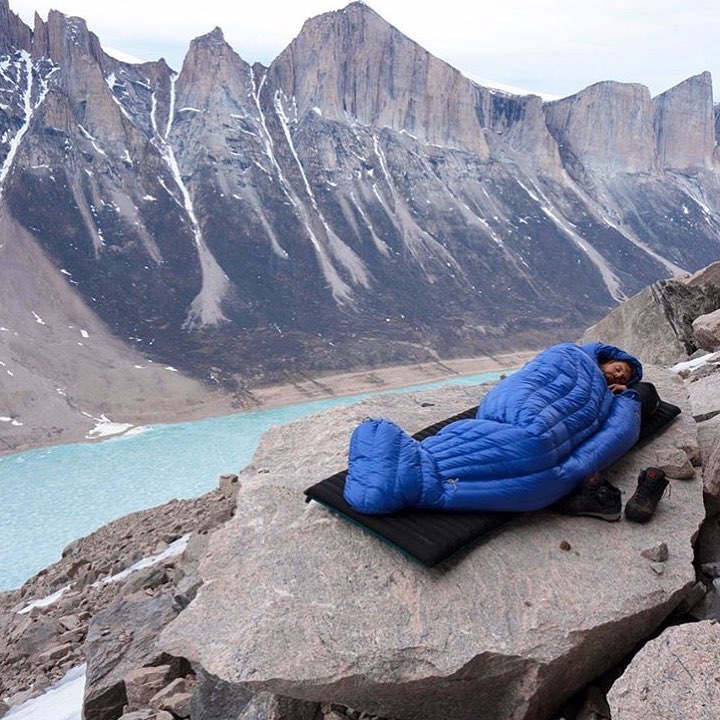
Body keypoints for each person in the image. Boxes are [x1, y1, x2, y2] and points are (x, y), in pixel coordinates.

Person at [343, 341, 642, 516]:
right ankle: (415, 470)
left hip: (543, 427)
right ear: (604, 358)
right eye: (619, 366)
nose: (620, 372)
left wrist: (621, 396)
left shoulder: (615, 397)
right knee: (527, 437)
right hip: (513, 405)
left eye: (625, 376)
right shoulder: (574, 355)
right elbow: (542, 369)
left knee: (538, 450)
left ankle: (416, 472)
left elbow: (619, 432)